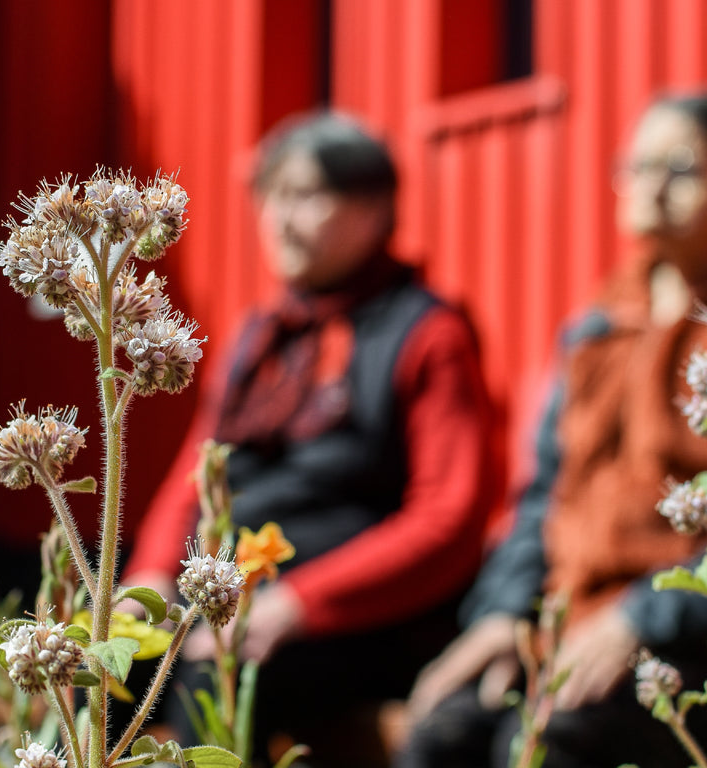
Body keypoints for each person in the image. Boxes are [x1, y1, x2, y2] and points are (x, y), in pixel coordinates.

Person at [394, 93, 707, 768]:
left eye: (680, 166)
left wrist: (642, 616)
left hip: (700, 642)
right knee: (440, 734)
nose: (651, 186)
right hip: (566, 625)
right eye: (636, 165)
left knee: (547, 745)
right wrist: (504, 612)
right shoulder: (596, 326)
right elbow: (543, 493)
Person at [120, 112, 499, 767]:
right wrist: (146, 582)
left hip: (352, 618)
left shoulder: (428, 334)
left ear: (375, 210)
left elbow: (448, 521)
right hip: (227, 594)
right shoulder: (263, 333)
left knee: (217, 676)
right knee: (102, 663)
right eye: (270, 195)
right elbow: (197, 469)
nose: (280, 217)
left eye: (306, 195)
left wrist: (296, 605)